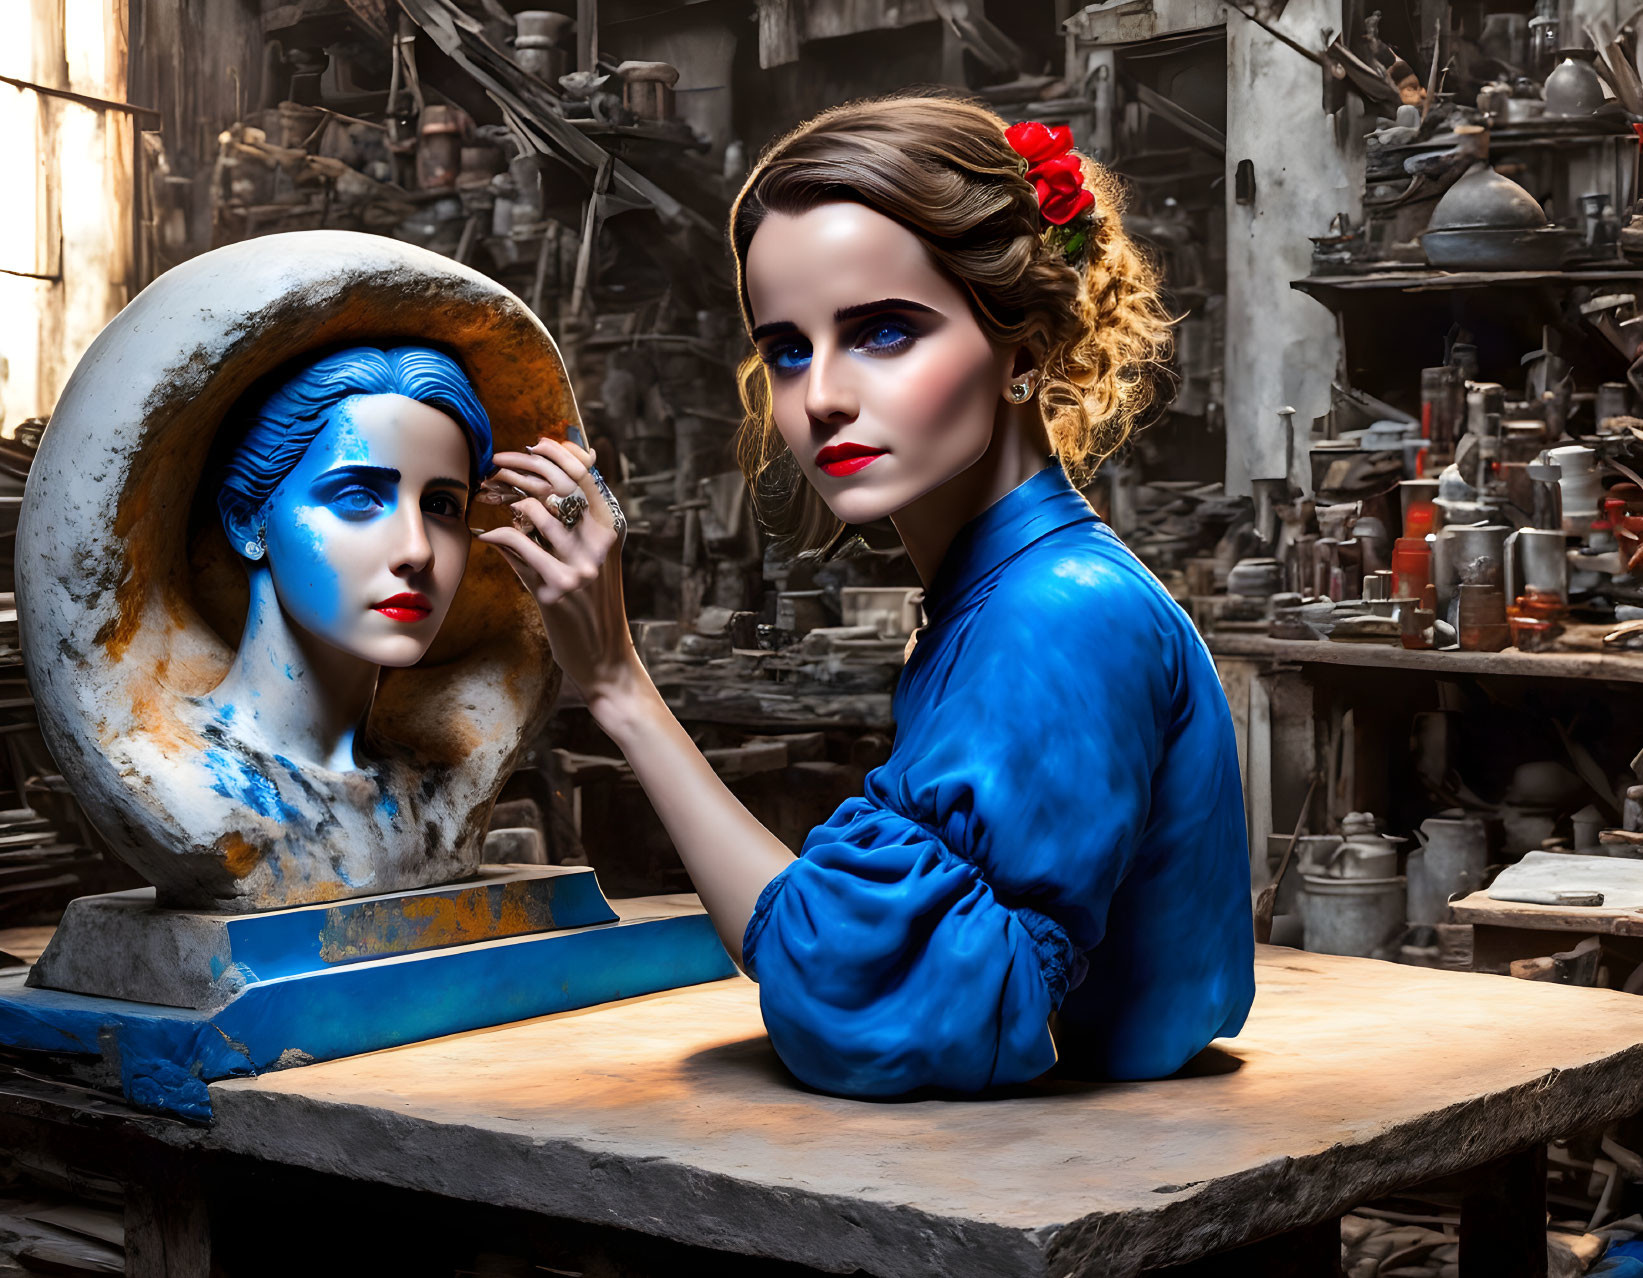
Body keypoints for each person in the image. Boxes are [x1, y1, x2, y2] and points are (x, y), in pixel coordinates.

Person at [478, 94, 1255, 1097]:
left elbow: (872, 1009)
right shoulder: (1006, 589)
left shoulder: (1056, 611)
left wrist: (620, 686)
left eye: (883, 332)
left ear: (1018, 351)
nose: (821, 396)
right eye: (788, 348)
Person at [212, 343, 494, 772]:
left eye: (440, 506)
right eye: (358, 497)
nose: (417, 551)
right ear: (248, 521)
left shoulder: (434, 789)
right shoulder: (173, 782)